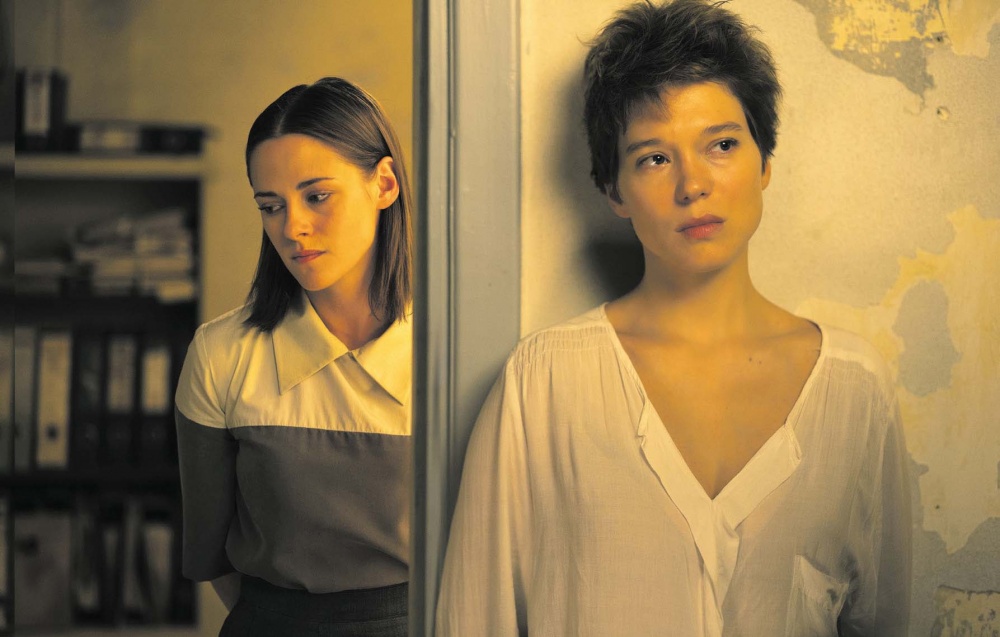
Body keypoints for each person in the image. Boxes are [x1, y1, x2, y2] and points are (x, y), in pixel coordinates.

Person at [435, 1, 911, 635]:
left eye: (722, 145)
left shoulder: (855, 388)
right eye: (654, 158)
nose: (693, 186)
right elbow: (473, 619)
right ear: (615, 191)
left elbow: (883, 620)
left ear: (764, 162)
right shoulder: (542, 384)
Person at [175, 77, 413, 636]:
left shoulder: (456, 355)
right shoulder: (220, 355)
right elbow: (213, 555)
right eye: (270, 205)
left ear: (383, 184)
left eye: (317, 196)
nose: (292, 228)